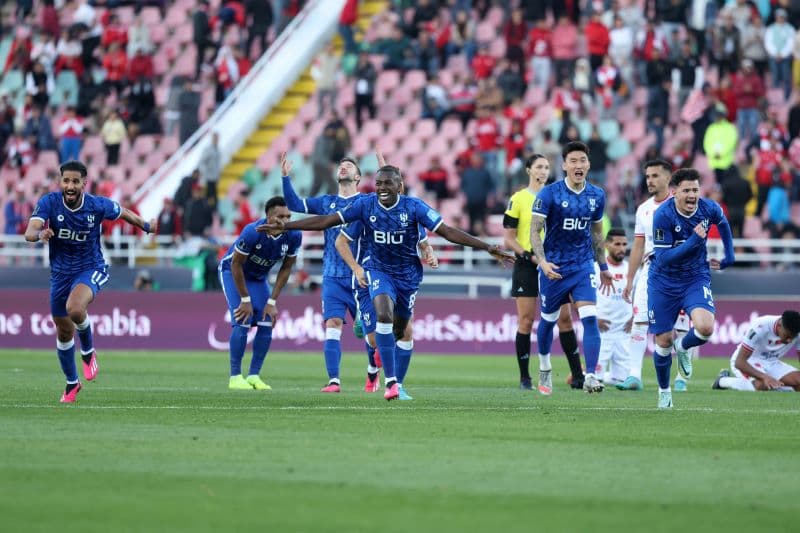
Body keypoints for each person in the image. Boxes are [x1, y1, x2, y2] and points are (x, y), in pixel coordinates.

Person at [261, 165, 513, 400]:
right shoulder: (365, 205)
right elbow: (326, 221)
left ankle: (390, 373)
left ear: (399, 186)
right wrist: (286, 227)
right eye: (378, 183)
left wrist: (487, 247)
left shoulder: (414, 207)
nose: (381, 188)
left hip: (408, 276)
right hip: (377, 270)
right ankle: (391, 383)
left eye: (387, 183)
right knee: (383, 314)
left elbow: (447, 231)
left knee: (400, 330)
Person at [24, 160, 157, 403]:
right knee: (64, 331)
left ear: (84, 183)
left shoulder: (96, 205)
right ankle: (72, 383)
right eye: (66, 181)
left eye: (75, 181)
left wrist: (146, 225)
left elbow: (124, 213)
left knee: (75, 308)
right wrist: (40, 233)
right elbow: (29, 231)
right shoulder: (49, 203)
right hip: (60, 275)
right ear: (60, 181)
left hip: (91, 267)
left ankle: (87, 351)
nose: (70, 186)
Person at [280, 152, 372, 392]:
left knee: (370, 332)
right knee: (332, 324)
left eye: (349, 165)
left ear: (358, 177)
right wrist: (285, 178)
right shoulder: (326, 202)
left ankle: (373, 372)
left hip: (360, 276)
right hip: (332, 276)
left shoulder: (367, 202)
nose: (343, 167)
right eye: (341, 165)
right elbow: (295, 205)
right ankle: (334, 381)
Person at [530, 141, 614, 394]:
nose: (579, 165)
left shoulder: (597, 195)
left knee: (589, 318)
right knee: (548, 320)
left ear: (588, 165)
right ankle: (545, 367)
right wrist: (543, 262)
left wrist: (603, 265)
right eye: (573, 161)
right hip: (554, 267)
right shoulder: (549, 194)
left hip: (582, 266)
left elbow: (597, 234)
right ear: (564, 165)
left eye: (582, 161)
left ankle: (591, 375)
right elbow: (534, 231)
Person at [648, 168, 736, 409]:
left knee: (706, 328)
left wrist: (729, 256)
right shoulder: (663, 215)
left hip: (695, 278)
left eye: (695, 190)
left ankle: (684, 346)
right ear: (674, 192)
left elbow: (724, 224)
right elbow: (663, 259)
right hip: (663, 282)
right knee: (663, 341)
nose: (692, 195)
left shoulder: (708, 209)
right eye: (686, 190)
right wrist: (694, 241)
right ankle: (664, 392)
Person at [502, 154, 585, 392]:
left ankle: (577, 376)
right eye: (538, 167)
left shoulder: (557, 196)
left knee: (564, 318)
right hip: (527, 264)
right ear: (528, 170)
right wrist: (528, 256)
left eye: (547, 167)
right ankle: (525, 378)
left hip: (555, 263)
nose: (543, 171)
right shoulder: (518, 199)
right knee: (526, 320)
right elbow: (509, 239)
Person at [619, 159, 691, 391]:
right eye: (648, 176)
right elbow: (638, 246)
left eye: (655, 176)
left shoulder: (683, 203)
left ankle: (681, 377)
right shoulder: (643, 209)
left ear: (668, 178)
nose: (649, 180)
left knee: (680, 327)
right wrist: (630, 279)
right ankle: (634, 376)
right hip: (651, 270)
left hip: (679, 271)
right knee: (640, 320)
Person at [218, 196, 301, 390]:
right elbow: (236, 264)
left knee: (266, 320)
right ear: (269, 217)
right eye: (281, 216)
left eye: (288, 216)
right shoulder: (252, 232)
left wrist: (272, 302)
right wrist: (245, 299)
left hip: (258, 278)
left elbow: (286, 268)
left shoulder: (294, 234)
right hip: (232, 273)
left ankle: (254, 376)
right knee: (243, 318)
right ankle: (235, 377)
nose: (286, 221)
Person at [713, 310, 800, 391]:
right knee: (761, 384)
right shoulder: (760, 326)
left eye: (793, 337)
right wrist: (765, 377)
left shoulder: (797, 332)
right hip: (748, 360)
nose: (790, 341)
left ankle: (775, 387)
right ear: (779, 325)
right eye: (787, 336)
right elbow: (739, 362)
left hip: (772, 363)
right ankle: (722, 381)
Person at [595, 228, 632, 386]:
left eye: (624, 244)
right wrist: (593, 319)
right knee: (596, 378)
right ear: (606, 245)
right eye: (617, 244)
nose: (622, 248)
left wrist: (634, 318)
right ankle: (583, 373)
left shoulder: (631, 269)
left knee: (622, 381)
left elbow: (641, 296)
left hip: (624, 331)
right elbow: (579, 297)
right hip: (602, 330)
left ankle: (583, 373)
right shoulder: (596, 268)